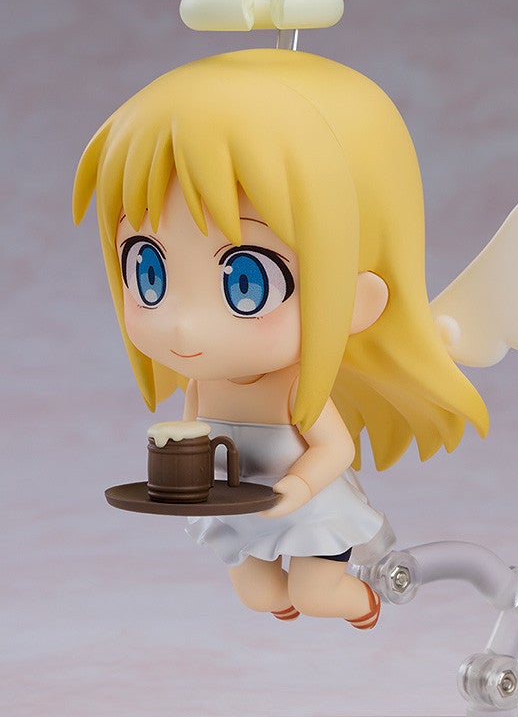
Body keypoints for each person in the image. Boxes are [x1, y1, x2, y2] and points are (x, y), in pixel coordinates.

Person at [73, 48, 489, 628]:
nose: (183, 325)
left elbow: (335, 449)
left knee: (316, 593)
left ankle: (363, 602)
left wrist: (296, 488)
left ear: (356, 300)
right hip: (239, 504)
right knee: (259, 595)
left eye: (246, 282)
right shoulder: (203, 383)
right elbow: (193, 438)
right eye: (148, 272)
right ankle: (291, 598)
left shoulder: (294, 389)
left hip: (308, 507)